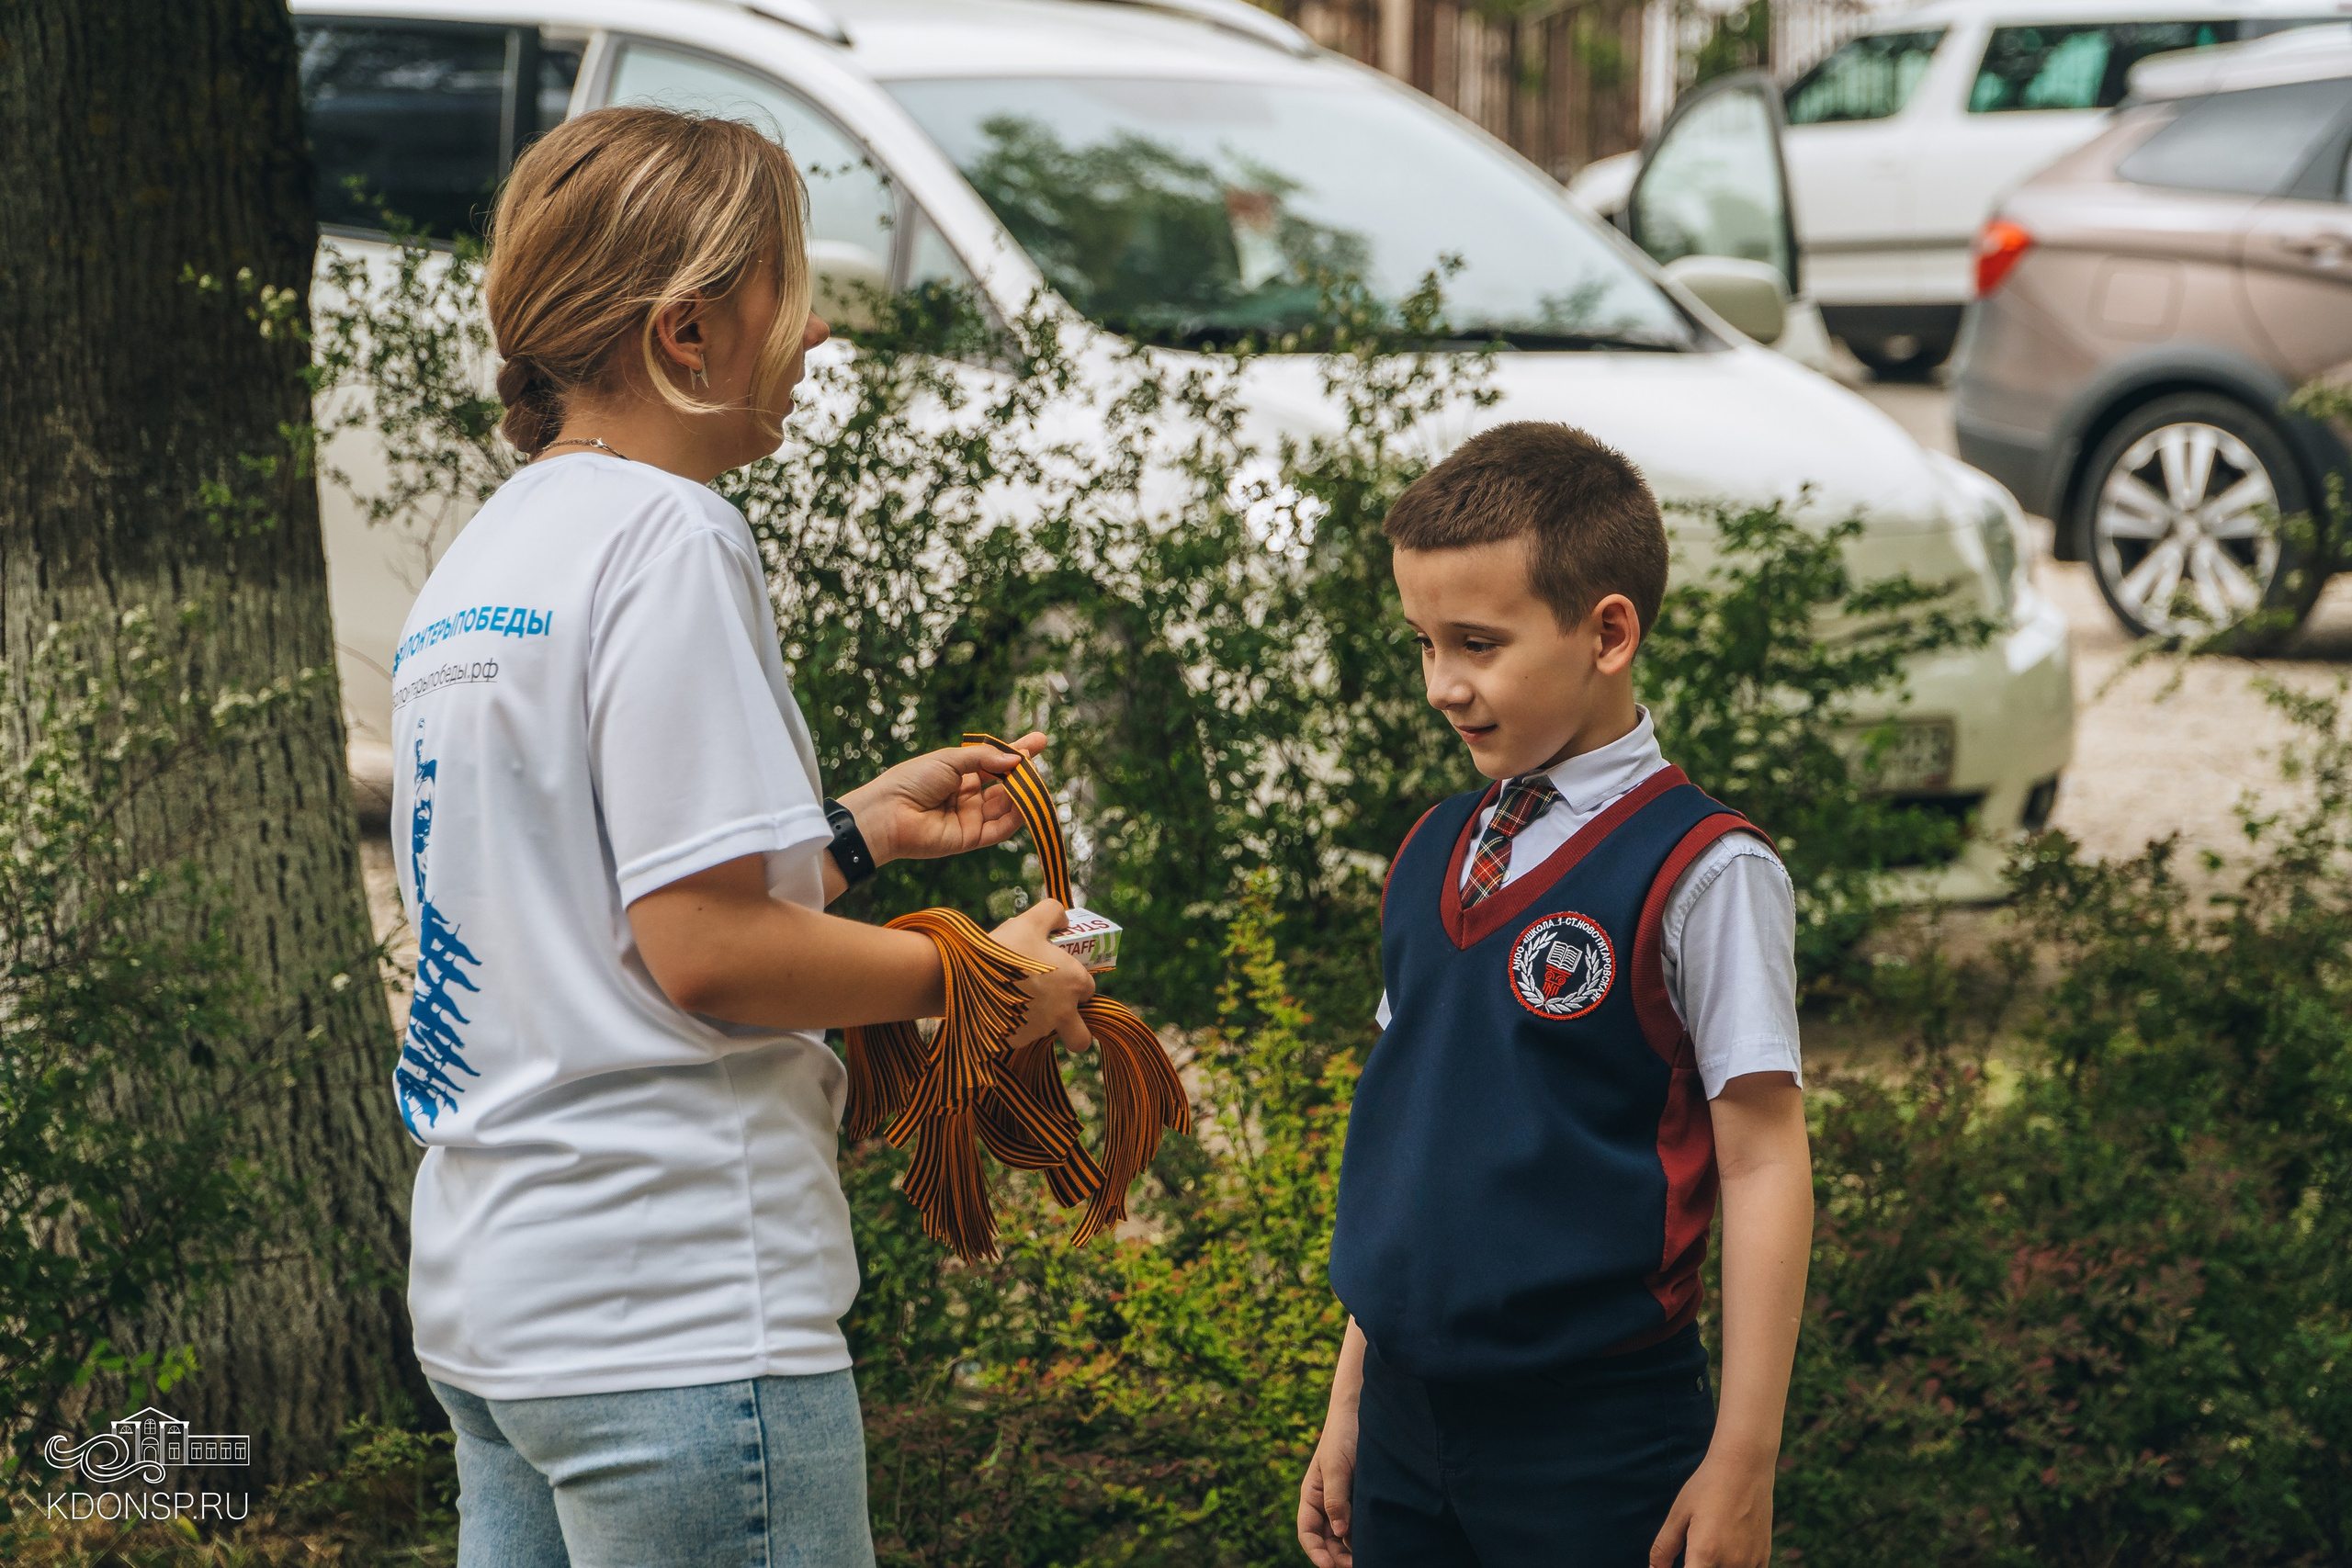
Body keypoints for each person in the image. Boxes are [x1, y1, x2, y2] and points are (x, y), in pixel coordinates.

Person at [387, 106, 1095, 1568]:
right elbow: (703, 954)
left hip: (493, 1310)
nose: (820, 327)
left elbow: (569, 918)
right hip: (679, 1313)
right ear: (688, 335)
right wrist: (980, 979)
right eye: (789, 284)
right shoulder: (675, 537)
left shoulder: (484, 561)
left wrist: (845, 837)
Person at [1296, 423, 1815, 1568]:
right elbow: (1412, 1147)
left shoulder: (1706, 871)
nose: (1442, 685)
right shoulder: (1431, 850)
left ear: (1608, 632)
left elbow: (1766, 1163)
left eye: (1476, 643)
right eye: (1423, 643)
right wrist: (1352, 1401)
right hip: (1402, 1424)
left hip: (1596, 1438)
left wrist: (1742, 1461)